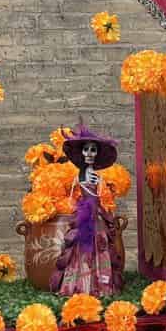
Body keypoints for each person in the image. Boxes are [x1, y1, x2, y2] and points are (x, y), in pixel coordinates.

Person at [50, 124, 125, 296]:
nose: (90, 153)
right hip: (84, 215)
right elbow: (72, 196)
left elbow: (95, 194)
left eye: (93, 150)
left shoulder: (97, 176)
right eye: (86, 150)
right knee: (81, 246)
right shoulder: (80, 176)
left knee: (100, 245)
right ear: (82, 153)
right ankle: (80, 284)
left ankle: (100, 284)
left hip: (95, 214)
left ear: (97, 153)